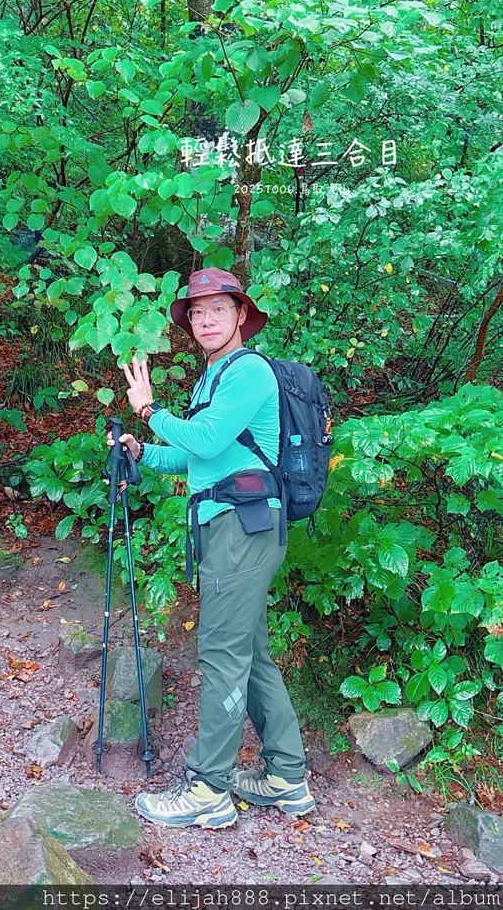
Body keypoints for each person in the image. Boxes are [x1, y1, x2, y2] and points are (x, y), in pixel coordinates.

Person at [106, 267, 314, 829]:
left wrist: (149, 410)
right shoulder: (213, 379)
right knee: (251, 653)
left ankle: (207, 789)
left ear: (241, 315)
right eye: (196, 312)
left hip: (241, 527)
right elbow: (197, 456)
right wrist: (142, 452)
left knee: (221, 654)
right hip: (234, 525)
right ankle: (286, 776)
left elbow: (205, 437)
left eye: (218, 309)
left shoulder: (248, 372)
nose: (205, 320)